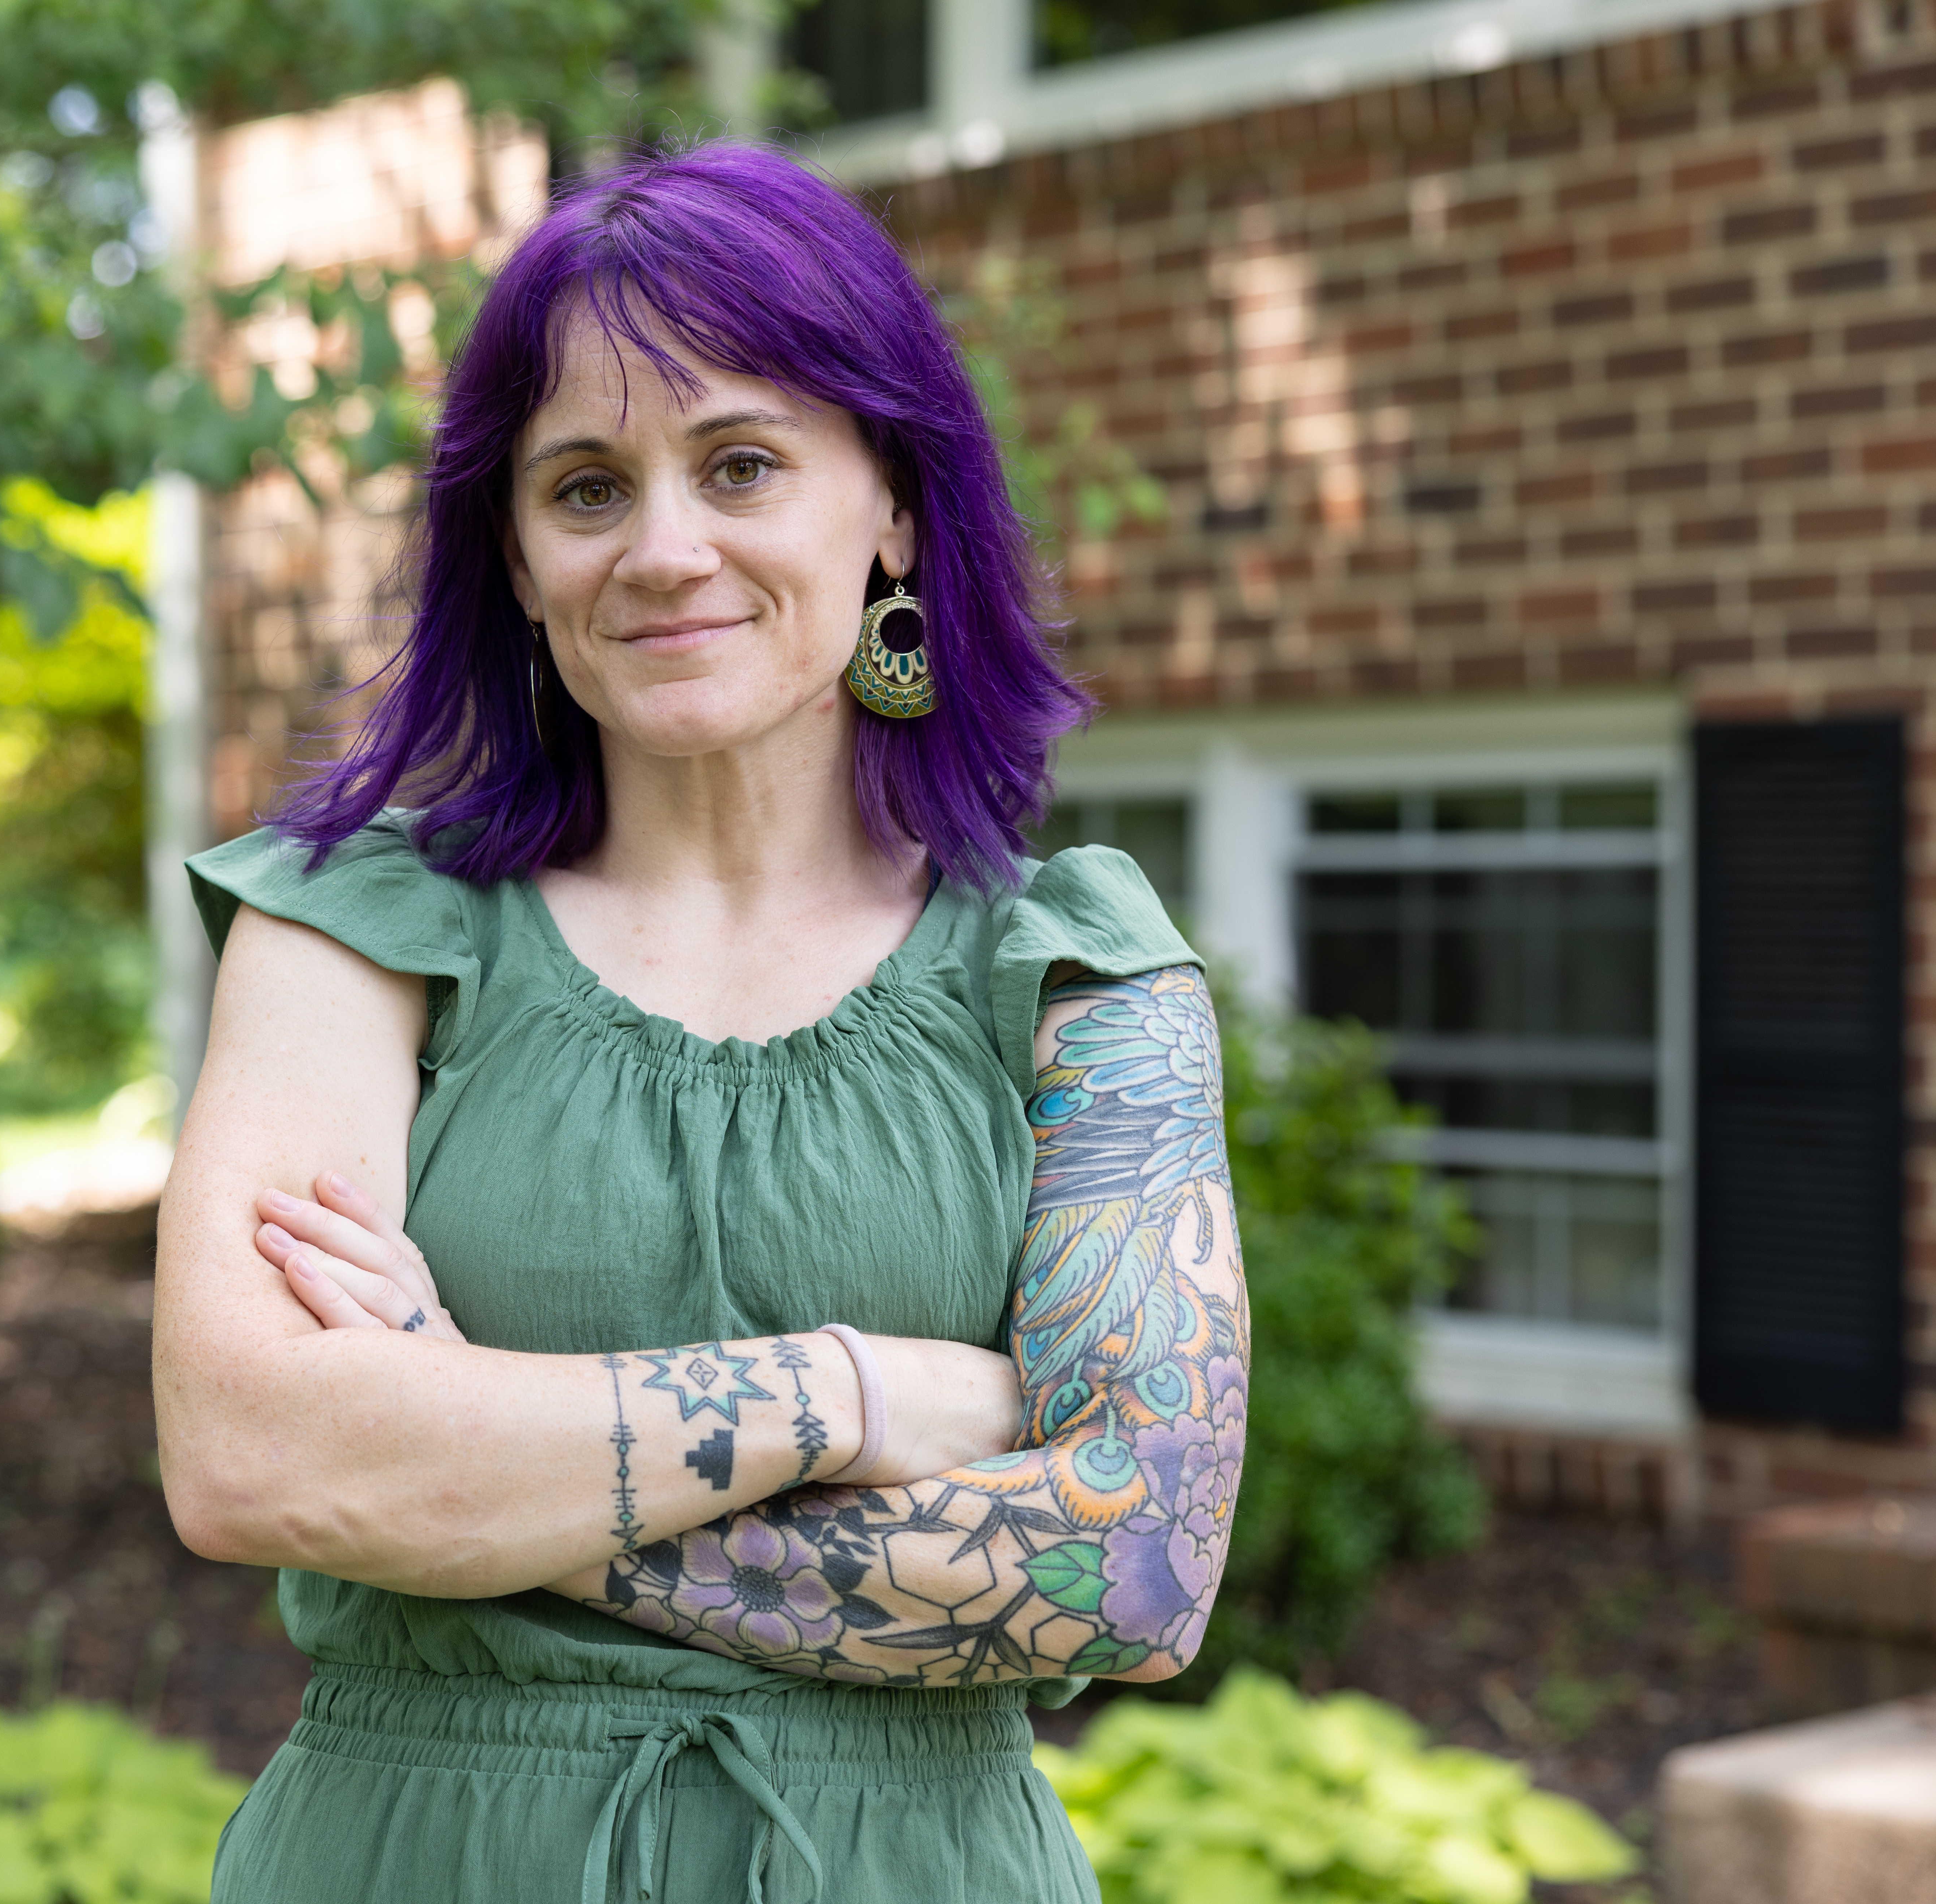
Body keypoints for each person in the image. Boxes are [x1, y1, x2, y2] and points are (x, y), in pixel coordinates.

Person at [152, 142, 1247, 1904]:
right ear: (511, 557)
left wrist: (459, 1455)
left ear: (889, 501)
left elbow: (1126, 1572)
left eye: (739, 463)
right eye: (583, 487)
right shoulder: (356, 926)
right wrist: (845, 1397)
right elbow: (251, 1454)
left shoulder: (1074, 972)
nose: (663, 550)